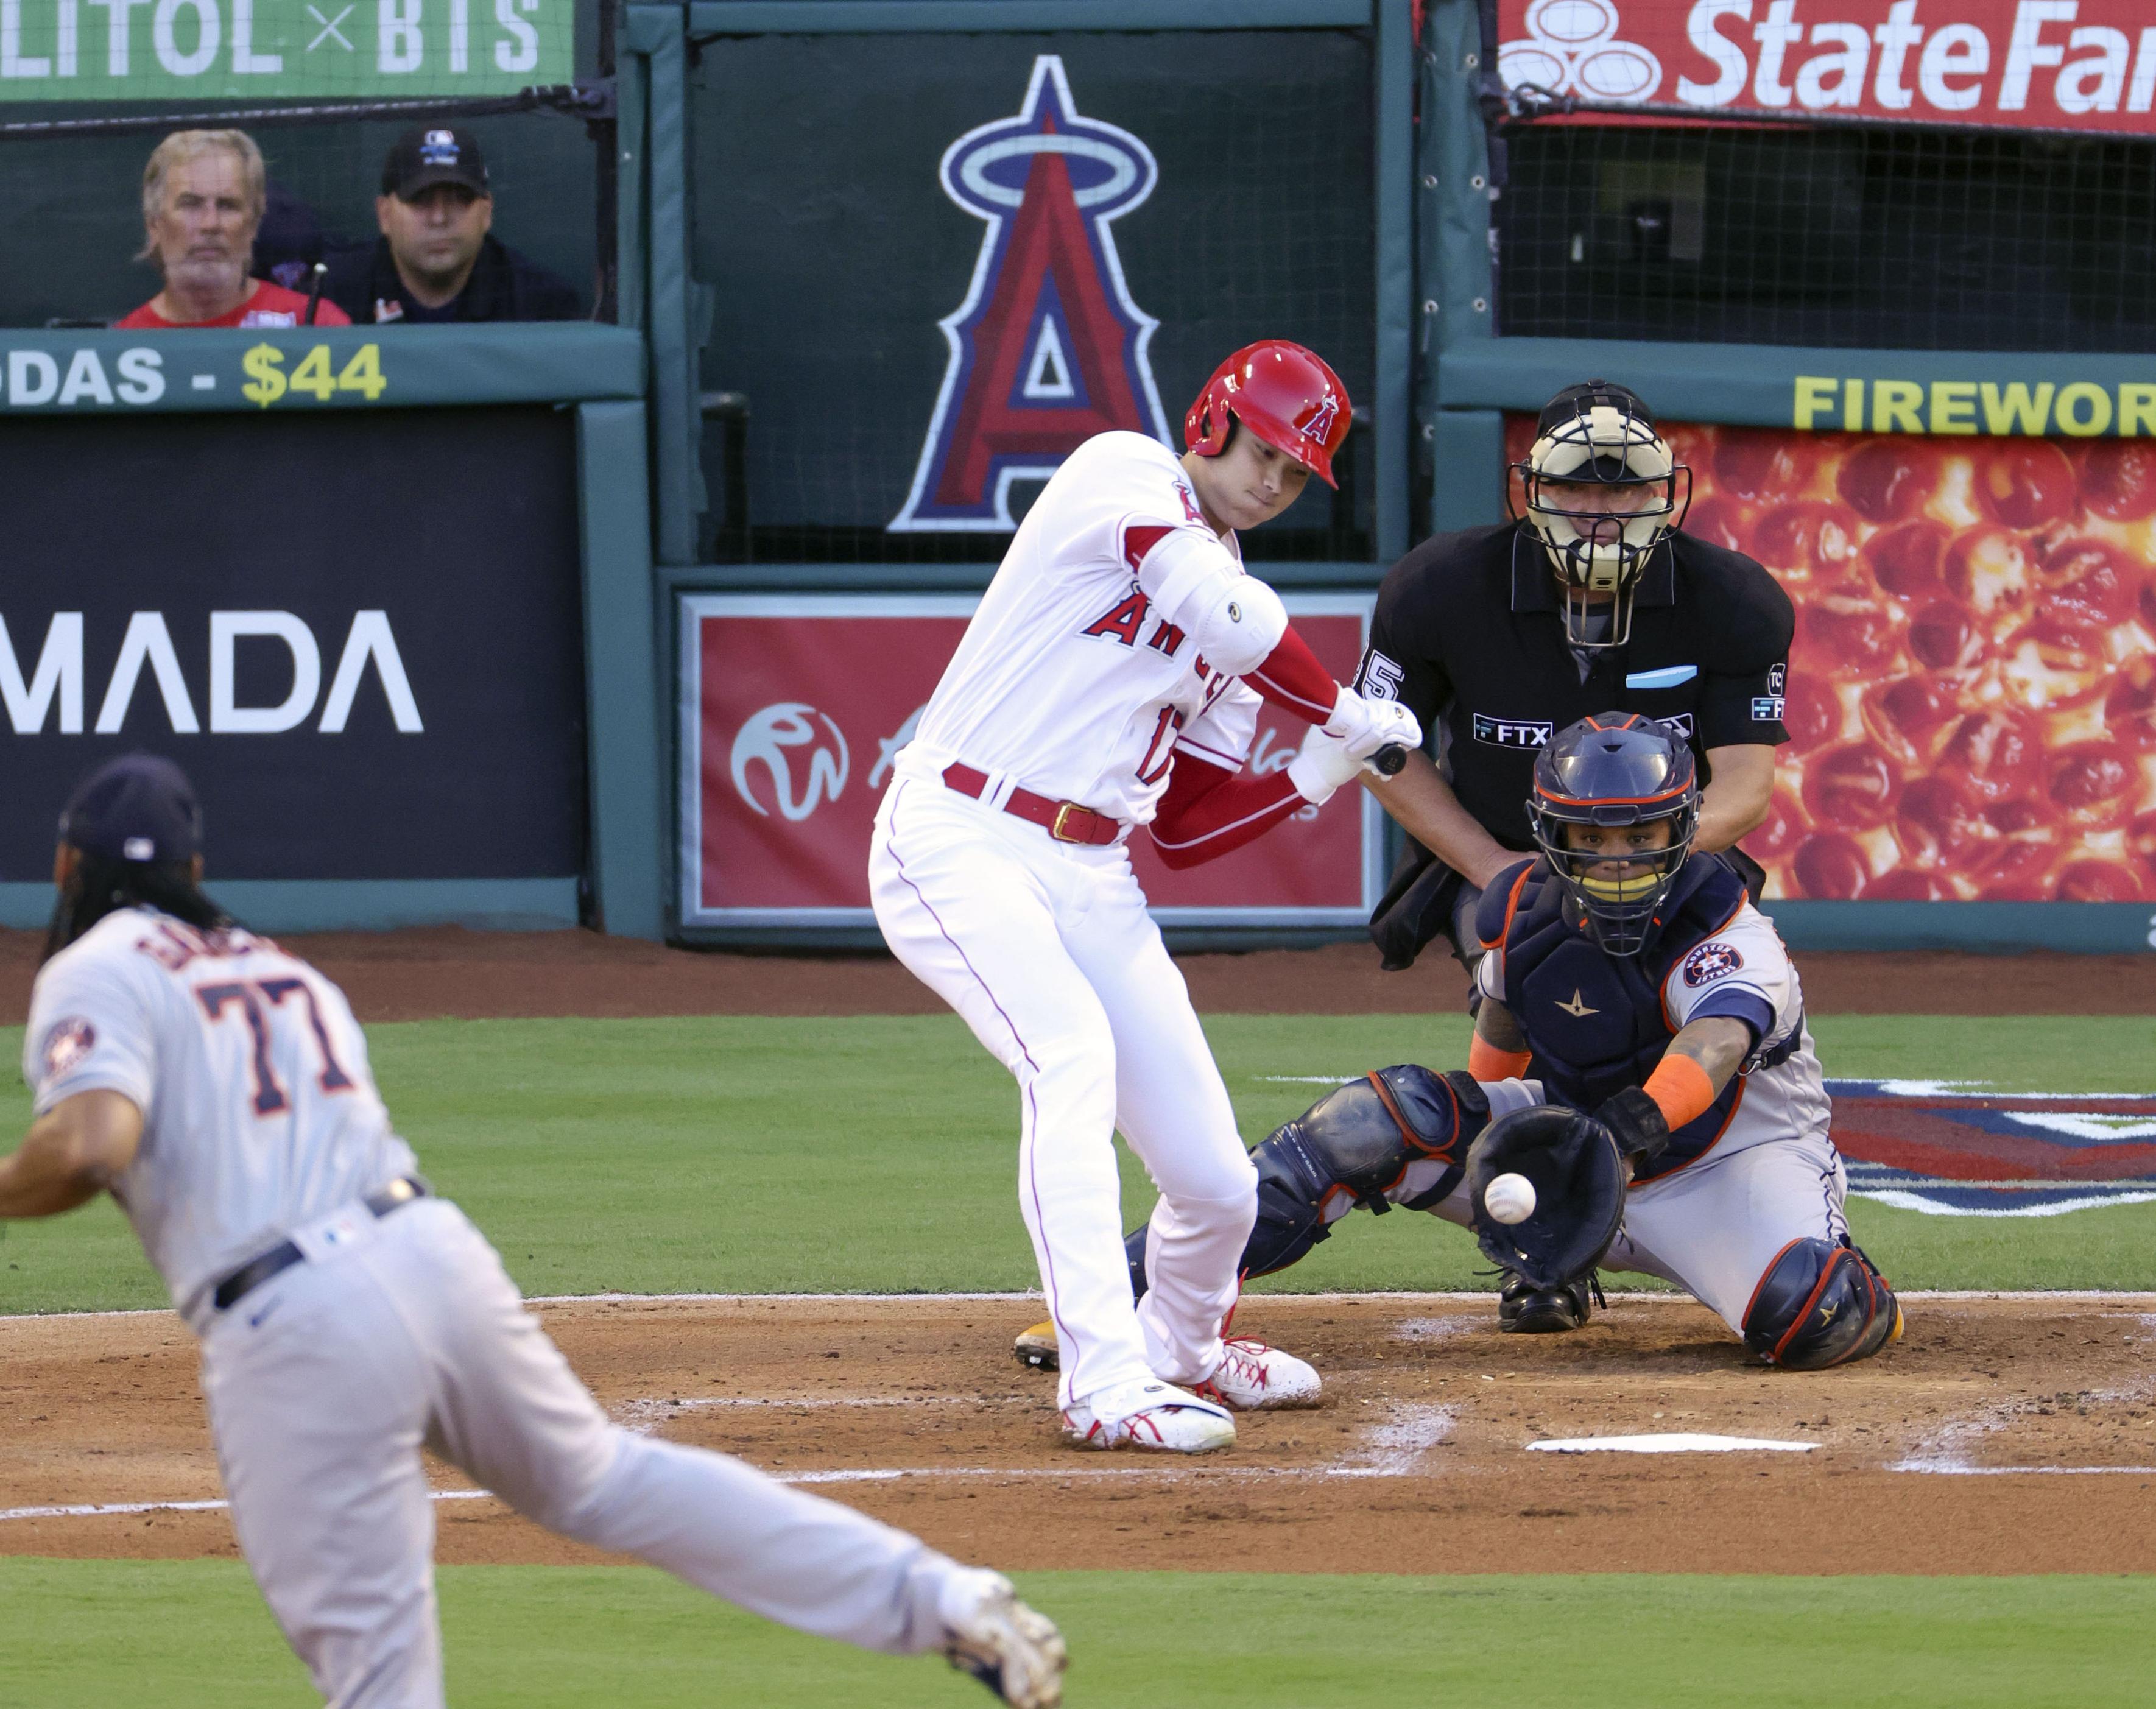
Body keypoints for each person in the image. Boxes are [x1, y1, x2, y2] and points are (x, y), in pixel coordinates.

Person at [2, 754, 1065, 1709]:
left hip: (292, 1322)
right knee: (606, 1479)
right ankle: (938, 1594)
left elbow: (93, 1140)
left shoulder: (92, 967)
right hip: (430, 1254)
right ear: (195, 861)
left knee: (380, 1679)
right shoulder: (288, 972)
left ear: (65, 864)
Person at [870, 341, 1421, 1454]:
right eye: (1265, 450)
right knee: (1068, 1060)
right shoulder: (1122, 470)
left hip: (1093, 868)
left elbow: (1184, 828)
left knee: (1218, 1181)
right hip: (959, 831)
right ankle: (1102, 1381)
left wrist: (1323, 771)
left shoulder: (1239, 596)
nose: (1274, 481)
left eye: (1297, 471)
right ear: (1214, 421)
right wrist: (1335, 712)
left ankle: (1182, 1344)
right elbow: (1226, 616)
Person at [1076, 714, 1902, 1374]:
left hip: (1723, 1169)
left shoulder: (1729, 925)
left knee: (1807, 1312)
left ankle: (1850, 1275)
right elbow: (1501, 1038)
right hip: (1576, 1150)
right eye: (1593, 838)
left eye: (1639, 836)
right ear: (1553, 835)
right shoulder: (1517, 912)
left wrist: (1621, 1133)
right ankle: (1125, 1293)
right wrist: (1503, 1152)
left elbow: (1717, 1039)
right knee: (1374, 1119)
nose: (1617, 861)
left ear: (1681, 829)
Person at [1355, 379, 1789, 990]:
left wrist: (1640, 863)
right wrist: (1492, 866)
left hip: (1673, 858)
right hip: (1508, 857)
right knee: (1542, 982)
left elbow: (1747, 783)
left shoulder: (1734, 598)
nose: (1600, 511)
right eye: (1573, 485)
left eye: (1624, 486)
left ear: (1660, 491)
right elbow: (1377, 746)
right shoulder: (1437, 588)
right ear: (1532, 489)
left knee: (1722, 996)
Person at [322, 126, 581, 326]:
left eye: (460, 200)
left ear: (487, 211)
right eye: (420, 200)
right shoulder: (331, 295)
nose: (439, 218)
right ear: (385, 215)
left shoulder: (540, 305)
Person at [117, 131, 353, 329]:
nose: (210, 224)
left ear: (253, 224)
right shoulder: (116, 352)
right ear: (154, 223)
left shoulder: (318, 327)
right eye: (190, 204)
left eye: (228, 205)